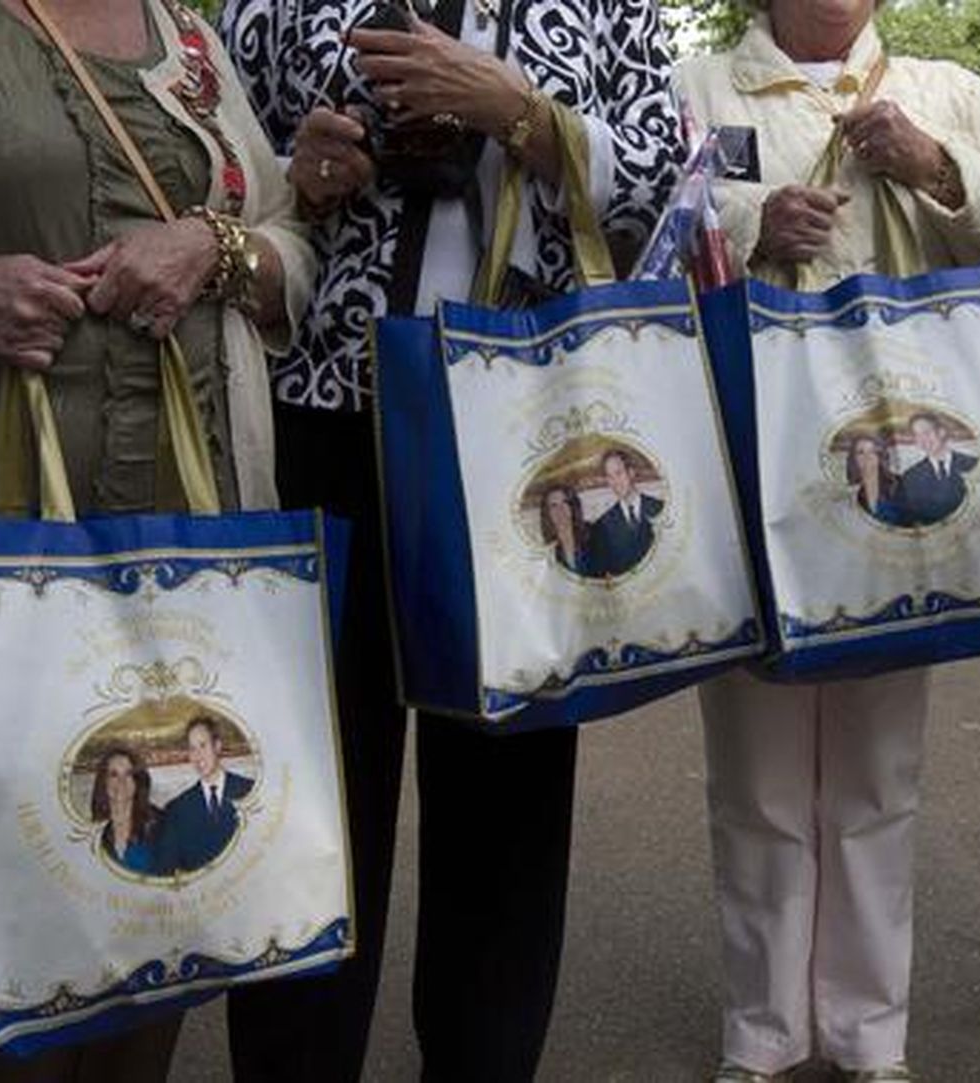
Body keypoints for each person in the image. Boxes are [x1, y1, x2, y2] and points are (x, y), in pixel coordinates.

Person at [0, 0, 313, 1078]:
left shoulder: (183, 32)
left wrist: (212, 247)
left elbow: (289, 243)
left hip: (189, 552)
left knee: (160, 916)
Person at [216, 3, 680, 1080]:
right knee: (309, 786)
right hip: (324, 416)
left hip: (526, 435)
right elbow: (217, 174)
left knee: (507, 795)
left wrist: (520, 114)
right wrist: (300, 172)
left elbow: (666, 178)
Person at [678, 2, 980, 1079]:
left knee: (878, 771)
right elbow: (631, 244)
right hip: (751, 470)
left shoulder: (951, 96)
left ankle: (867, 1033)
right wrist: (749, 223)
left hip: (901, 489)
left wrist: (940, 167)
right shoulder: (693, 94)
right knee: (755, 775)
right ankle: (761, 1031)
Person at [154, 715, 255, 876]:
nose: (198, 756)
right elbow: (164, 873)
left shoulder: (251, 792)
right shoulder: (177, 810)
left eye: (203, 745)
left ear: (217, 746)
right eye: (192, 749)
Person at [588, 448, 664, 576]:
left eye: (618, 473)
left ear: (631, 472)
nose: (615, 482)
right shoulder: (602, 526)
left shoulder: (661, 508)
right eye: (609, 477)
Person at [895, 411, 977, 525]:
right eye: (917, 435)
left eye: (926, 432)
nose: (923, 440)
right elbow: (909, 520)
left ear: (941, 432)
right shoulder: (910, 477)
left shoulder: (973, 464)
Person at [91, 745, 163, 875]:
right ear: (103, 782)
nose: (121, 782)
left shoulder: (161, 823)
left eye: (128, 774)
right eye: (114, 775)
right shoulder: (93, 833)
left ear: (137, 781)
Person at [846, 432, 904, 525]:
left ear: (880, 456)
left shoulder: (898, 483)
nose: (867, 457)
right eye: (861, 452)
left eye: (872, 451)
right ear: (853, 459)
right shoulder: (850, 493)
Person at [540, 483, 594, 575]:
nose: (560, 509)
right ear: (547, 513)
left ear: (573, 506)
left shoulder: (594, 532)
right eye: (554, 505)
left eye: (565, 502)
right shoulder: (546, 550)